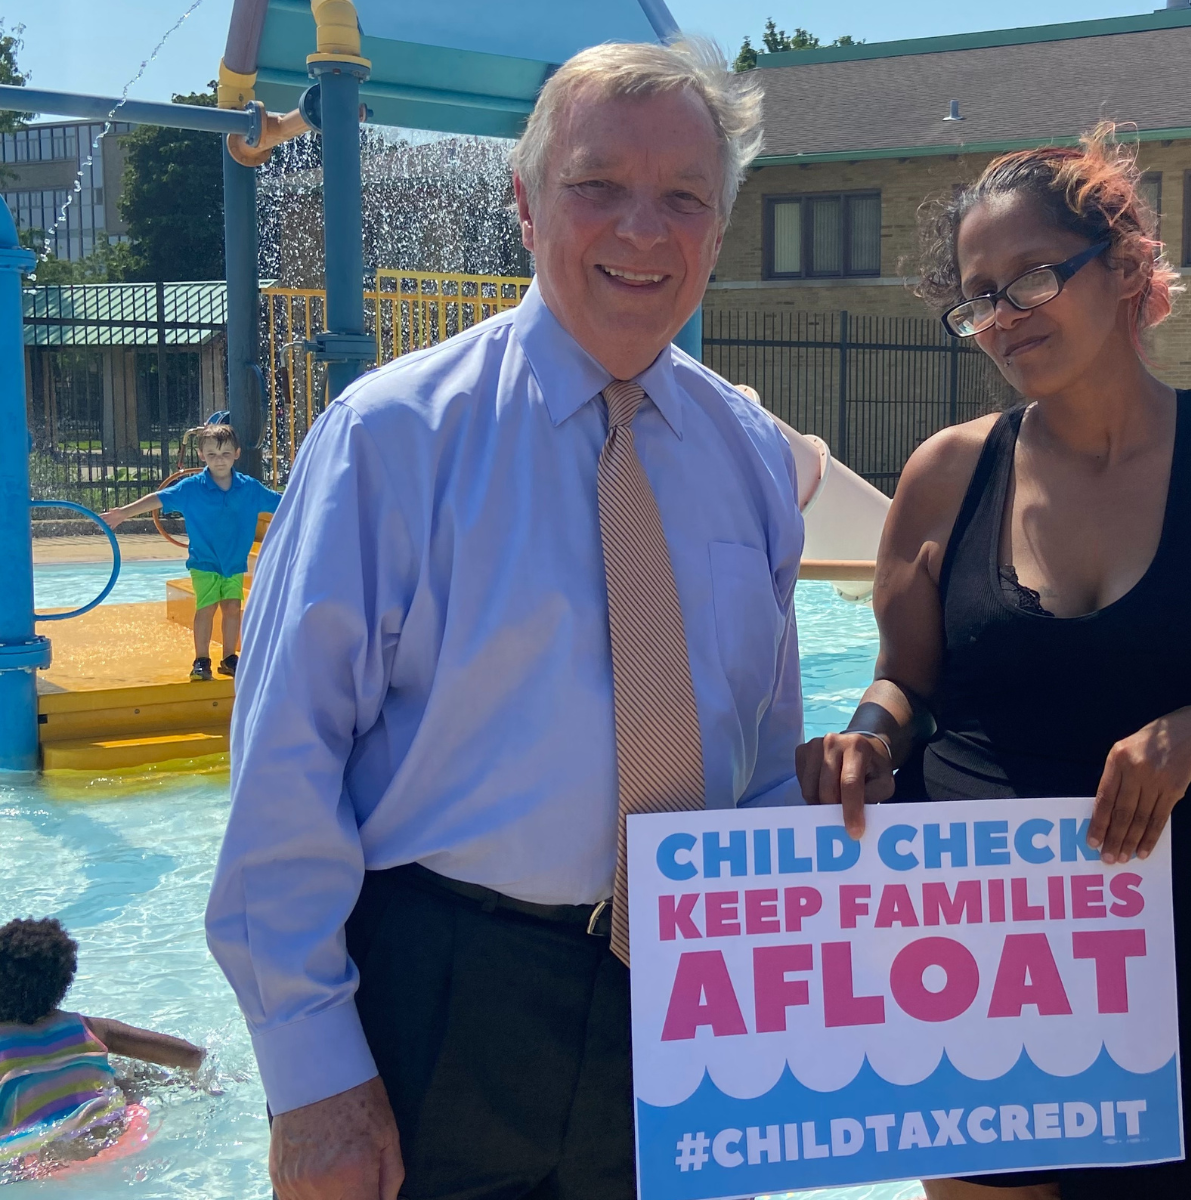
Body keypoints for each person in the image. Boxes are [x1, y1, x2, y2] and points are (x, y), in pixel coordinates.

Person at [206, 37, 802, 1200]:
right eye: (598, 185)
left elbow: (762, 759)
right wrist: (313, 1077)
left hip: (690, 1003)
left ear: (719, 231)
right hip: (440, 1000)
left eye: (684, 197)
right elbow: (284, 765)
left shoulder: (752, 457)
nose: (643, 229)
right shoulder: (391, 440)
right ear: (524, 204)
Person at [797, 126, 1191, 1200]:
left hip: (1188, 973)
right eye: (978, 297)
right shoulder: (946, 476)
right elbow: (907, 683)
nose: (1000, 318)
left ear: (1125, 267)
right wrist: (867, 739)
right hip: (975, 966)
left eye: (1030, 276)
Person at [1, 917, 205, 1161]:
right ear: (64, 982)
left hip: (31, 1161)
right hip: (116, 1138)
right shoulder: (92, 1028)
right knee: (124, 1076)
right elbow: (190, 1056)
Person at [102, 423, 281, 681]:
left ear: (237, 453)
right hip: (204, 561)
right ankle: (202, 659)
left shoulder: (249, 489)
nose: (219, 461)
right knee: (206, 608)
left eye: (225, 454)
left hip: (233, 562)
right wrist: (123, 513)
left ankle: (230, 658)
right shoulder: (191, 488)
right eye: (212, 455)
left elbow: (282, 501)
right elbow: (158, 498)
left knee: (232, 608)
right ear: (201, 456)